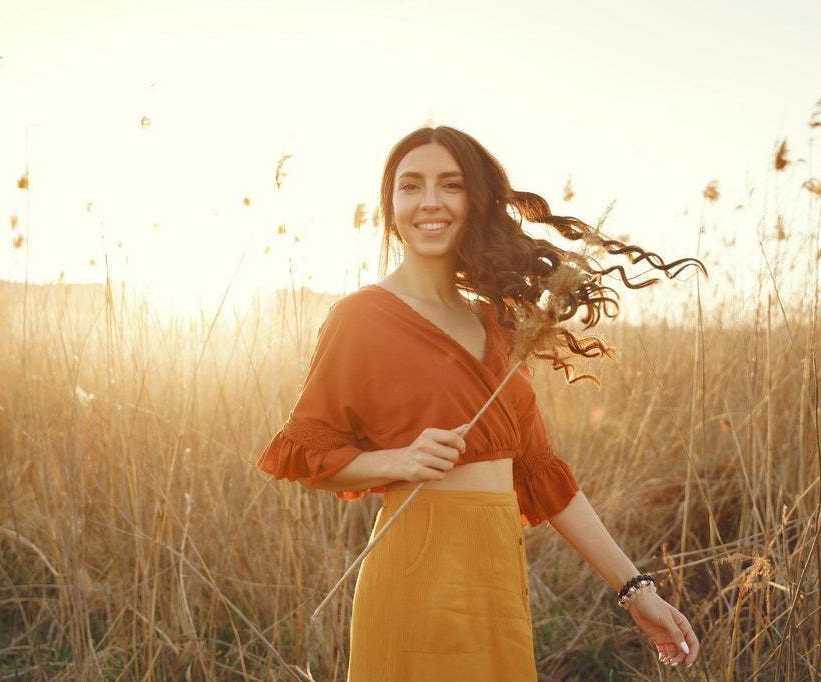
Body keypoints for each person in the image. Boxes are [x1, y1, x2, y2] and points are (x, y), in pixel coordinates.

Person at [257, 126, 701, 680]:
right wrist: (395, 461)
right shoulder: (361, 317)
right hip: (414, 569)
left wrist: (637, 591)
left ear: (475, 200)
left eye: (451, 184)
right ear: (390, 205)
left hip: (497, 573)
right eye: (410, 186)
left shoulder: (496, 323)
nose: (430, 202)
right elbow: (303, 454)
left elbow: (543, 474)